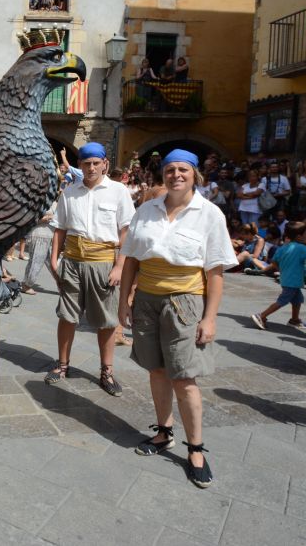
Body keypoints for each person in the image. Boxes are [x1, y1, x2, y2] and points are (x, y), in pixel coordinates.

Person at [118, 149, 237, 489]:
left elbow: (215, 273)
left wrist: (210, 318)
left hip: (185, 302)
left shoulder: (210, 214)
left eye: (183, 169)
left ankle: (196, 449)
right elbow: (130, 261)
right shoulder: (146, 210)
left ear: (195, 175)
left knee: (184, 377)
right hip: (146, 300)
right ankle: (164, 432)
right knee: (156, 370)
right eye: (170, 170)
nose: (176, 175)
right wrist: (125, 301)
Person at [46, 142, 135, 396]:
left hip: (103, 261)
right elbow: (60, 228)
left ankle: (106, 371)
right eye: (86, 163)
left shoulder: (118, 192)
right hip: (72, 260)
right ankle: (62, 365)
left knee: (106, 321)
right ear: (80, 165)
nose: (91, 167)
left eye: (96, 163)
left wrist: (119, 266)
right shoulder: (70, 192)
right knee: (66, 315)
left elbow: (126, 231)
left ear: (105, 164)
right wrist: (54, 260)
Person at [251, 222, 306, 331]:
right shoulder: (301, 248)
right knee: (282, 301)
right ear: (299, 236)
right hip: (293, 281)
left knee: (297, 300)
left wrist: (283, 269)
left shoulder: (283, 248)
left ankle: (294, 320)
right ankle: (261, 316)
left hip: (286, 279)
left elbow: (274, 263)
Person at [21, 200, 56, 294]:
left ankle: (63, 284)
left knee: (53, 264)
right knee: (36, 263)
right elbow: (28, 219)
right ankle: (27, 284)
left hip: (50, 236)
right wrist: (43, 219)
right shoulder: (37, 201)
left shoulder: (54, 201)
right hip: (39, 235)